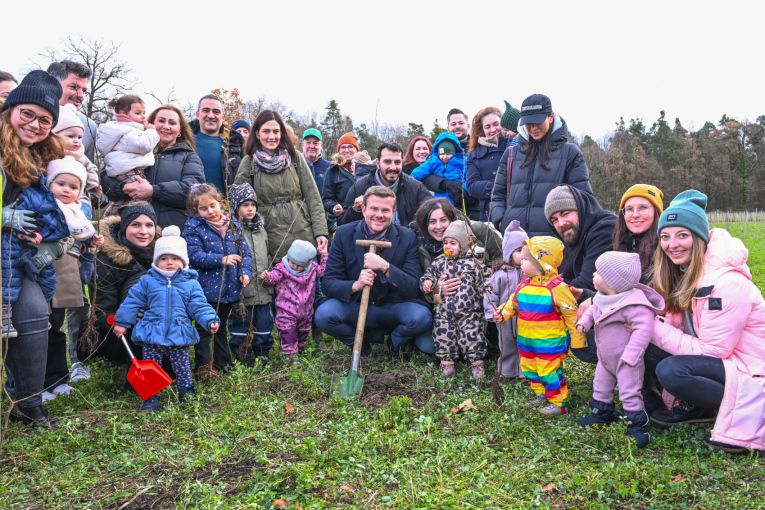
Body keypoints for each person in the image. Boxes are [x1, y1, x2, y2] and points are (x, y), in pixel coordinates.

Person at [645, 191, 765, 454]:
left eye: (682, 235)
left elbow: (714, 351)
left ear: (699, 238)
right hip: (724, 364)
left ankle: (732, 408)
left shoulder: (725, 283)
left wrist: (651, 326)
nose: (671, 244)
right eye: (665, 236)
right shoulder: (685, 273)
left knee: (671, 370)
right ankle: (699, 407)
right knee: (650, 349)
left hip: (751, 372)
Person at [1, 70, 72, 429]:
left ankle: (28, 405)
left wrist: (50, 243)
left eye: (45, 119)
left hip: (19, 256)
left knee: (32, 313)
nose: (34, 124)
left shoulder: (37, 160)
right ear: (10, 110)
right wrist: (2, 216)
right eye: (27, 113)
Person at [315, 186, 432, 360]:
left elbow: (414, 287)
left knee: (421, 317)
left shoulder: (407, 237)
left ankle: (395, 342)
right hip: (355, 306)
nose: (379, 215)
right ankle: (360, 345)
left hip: (391, 306)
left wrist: (386, 267)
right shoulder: (343, 234)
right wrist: (356, 285)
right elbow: (329, 283)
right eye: (374, 209)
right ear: (363, 209)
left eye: (385, 210)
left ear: (393, 212)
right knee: (324, 314)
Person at [113, 225, 220, 412]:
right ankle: (151, 398)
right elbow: (132, 301)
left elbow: (199, 306)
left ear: (183, 261)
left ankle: (186, 392)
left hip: (179, 333)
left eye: (175, 258)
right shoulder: (147, 281)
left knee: (183, 367)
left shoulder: (190, 283)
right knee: (150, 368)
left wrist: (210, 319)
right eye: (164, 258)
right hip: (152, 333)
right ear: (156, 261)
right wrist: (122, 323)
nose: (169, 262)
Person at [575, 252, 664, 448]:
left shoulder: (635, 305)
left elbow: (643, 331)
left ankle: (637, 425)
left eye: (598, 273)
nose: (593, 275)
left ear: (612, 281)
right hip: (604, 358)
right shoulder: (602, 297)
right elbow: (592, 310)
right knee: (600, 385)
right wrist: (584, 323)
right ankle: (602, 413)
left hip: (626, 360)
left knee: (629, 391)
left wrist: (632, 355)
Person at [494, 236, 584, 416]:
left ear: (542, 263)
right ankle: (541, 393)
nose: (521, 260)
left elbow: (571, 314)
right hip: (527, 339)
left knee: (549, 371)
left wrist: (578, 339)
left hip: (549, 342)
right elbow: (513, 302)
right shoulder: (524, 284)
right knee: (530, 368)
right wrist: (502, 313)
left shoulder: (557, 288)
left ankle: (559, 403)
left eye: (527, 258)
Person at [234, 110, 328, 264]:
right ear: (257, 134)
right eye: (266, 131)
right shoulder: (249, 162)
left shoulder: (295, 157)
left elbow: (313, 196)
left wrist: (320, 232)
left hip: (302, 231)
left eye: (276, 131)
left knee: (308, 281)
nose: (272, 136)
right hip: (269, 234)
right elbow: (238, 202)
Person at [491, 94, 592, 236]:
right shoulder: (511, 154)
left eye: (537, 121)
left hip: (554, 244)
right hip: (516, 244)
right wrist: (501, 222)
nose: (533, 128)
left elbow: (583, 199)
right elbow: (497, 195)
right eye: (528, 123)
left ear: (551, 117)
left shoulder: (570, 153)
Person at [411, 198, 503, 355]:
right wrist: (435, 291)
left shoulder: (476, 230)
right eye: (432, 221)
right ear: (424, 224)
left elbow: (503, 257)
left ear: (451, 219)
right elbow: (417, 285)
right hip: (443, 311)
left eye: (443, 220)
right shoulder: (417, 245)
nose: (438, 226)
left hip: (476, 306)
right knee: (428, 346)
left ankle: (485, 336)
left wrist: (493, 273)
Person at [78, 204, 161, 366]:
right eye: (135, 225)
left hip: (157, 322)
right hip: (117, 328)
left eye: (149, 225)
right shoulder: (105, 260)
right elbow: (102, 310)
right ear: (124, 228)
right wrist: (129, 316)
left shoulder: (163, 256)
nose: (143, 231)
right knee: (143, 281)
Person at [182, 183, 252, 376]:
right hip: (205, 289)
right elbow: (193, 255)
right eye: (203, 209)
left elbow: (245, 254)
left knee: (220, 326)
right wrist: (221, 260)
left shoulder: (234, 226)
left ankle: (223, 364)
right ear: (196, 211)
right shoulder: (193, 228)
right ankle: (204, 368)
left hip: (229, 287)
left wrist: (245, 273)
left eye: (213, 205)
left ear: (220, 203)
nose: (210, 211)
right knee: (206, 328)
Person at [101, 104, 205, 229]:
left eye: (172, 123)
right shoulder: (130, 147)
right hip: (131, 229)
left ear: (180, 130)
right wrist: (123, 188)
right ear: (150, 124)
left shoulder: (189, 156)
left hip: (174, 231)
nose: (166, 126)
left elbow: (194, 190)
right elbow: (106, 178)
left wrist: (153, 191)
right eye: (161, 121)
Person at [420, 220, 492, 378]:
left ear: (464, 245)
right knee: (443, 337)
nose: (447, 246)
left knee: (472, 337)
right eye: (445, 242)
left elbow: (485, 281)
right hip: (444, 312)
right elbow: (428, 274)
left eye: (453, 243)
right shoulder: (439, 262)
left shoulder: (474, 264)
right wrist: (427, 282)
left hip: (470, 312)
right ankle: (447, 365)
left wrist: (487, 291)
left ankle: (477, 365)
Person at [227, 184, 275, 365]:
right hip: (242, 290)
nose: (250, 209)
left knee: (264, 324)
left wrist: (270, 274)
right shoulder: (232, 230)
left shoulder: (261, 228)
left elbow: (267, 253)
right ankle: (242, 357)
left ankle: (263, 355)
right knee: (240, 325)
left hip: (262, 289)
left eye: (253, 205)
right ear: (236, 207)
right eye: (245, 205)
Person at [260, 240, 328, 360]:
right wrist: (267, 277)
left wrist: (324, 255)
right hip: (286, 311)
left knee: (303, 334)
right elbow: (274, 278)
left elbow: (323, 271)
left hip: (306, 311)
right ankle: (291, 358)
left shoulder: (312, 268)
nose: (295, 267)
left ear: (308, 263)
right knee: (288, 334)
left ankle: (299, 351)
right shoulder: (282, 268)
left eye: (300, 265)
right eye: (293, 263)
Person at [336, 142, 431, 227]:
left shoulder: (415, 187)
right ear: (377, 163)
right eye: (387, 162)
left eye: (397, 162)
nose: (393, 167)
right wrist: (355, 210)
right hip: (368, 244)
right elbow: (342, 224)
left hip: (405, 244)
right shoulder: (359, 187)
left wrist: (411, 229)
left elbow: (431, 213)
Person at [97, 95, 160, 214]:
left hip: (124, 168)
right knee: (143, 196)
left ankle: (112, 214)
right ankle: (112, 216)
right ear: (123, 114)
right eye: (138, 113)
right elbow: (144, 145)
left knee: (127, 198)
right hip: (130, 169)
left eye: (144, 113)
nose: (143, 116)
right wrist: (151, 131)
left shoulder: (118, 130)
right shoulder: (128, 131)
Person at [484, 220, 528, 383]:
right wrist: (492, 312)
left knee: (526, 345)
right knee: (507, 345)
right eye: (519, 250)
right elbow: (491, 294)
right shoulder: (500, 275)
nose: (524, 254)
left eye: (526, 250)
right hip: (505, 319)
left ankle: (526, 373)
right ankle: (507, 371)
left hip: (526, 317)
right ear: (509, 253)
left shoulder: (530, 273)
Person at [465, 106, 517, 222]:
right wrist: (501, 186)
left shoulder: (516, 146)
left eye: (496, 124)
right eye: (487, 127)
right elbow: (472, 186)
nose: (493, 129)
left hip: (517, 209)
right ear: (482, 130)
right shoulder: (474, 155)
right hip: (490, 215)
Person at [190, 94, 245, 195]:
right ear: (197, 114)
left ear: (223, 117)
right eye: (206, 110)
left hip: (227, 208)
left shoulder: (237, 144)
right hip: (190, 208)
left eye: (216, 112)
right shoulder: (184, 141)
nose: (211, 116)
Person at [47, 60, 97, 162]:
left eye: (84, 91)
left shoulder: (89, 126)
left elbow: (89, 169)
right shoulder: (31, 118)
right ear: (52, 85)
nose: (81, 96)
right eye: (73, 87)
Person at [613, 184, 664, 281]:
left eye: (643, 207)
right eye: (629, 209)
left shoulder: (666, 249)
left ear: (656, 212)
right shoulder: (617, 246)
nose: (635, 215)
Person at [410, 133, 467, 206]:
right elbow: (423, 169)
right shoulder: (434, 161)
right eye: (442, 154)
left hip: (457, 190)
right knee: (439, 206)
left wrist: (465, 189)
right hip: (440, 192)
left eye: (448, 154)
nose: (445, 157)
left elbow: (468, 175)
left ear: (455, 153)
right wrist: (413, 177)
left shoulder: (462, 161)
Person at [322, 146, 375, 226]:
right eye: (343, 147)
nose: (346, 150)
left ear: (357, 149)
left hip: (371, 219)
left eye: (350, 147)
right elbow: (327, 198)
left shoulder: (372, 172)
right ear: (339, 150)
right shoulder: (333, 171)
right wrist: (333, 207)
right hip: (346, 219)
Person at [302, 128, 331, 196]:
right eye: (308, 142)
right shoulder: (294, 165)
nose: (311, 146)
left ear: (321, 146)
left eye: (315, 143)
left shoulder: (330, 167)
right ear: (303, 145)